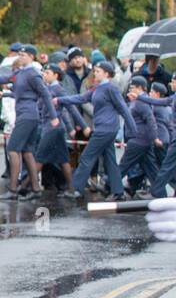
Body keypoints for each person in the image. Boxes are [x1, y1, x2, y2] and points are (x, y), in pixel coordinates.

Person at [55, 60, 138, 200]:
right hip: (103, 128)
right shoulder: (97, 88)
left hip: (106, 129)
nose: (95, 73)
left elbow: (123, 108)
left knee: (87, 157)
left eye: (98, 71)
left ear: (107, 74)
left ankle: (76, 189)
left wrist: (133, 130)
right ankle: (118, 192)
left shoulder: (111, 88)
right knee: (110, 161)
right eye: (95, 70)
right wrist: (60, 100)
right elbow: (81, 98)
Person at [0, 44, 53, 201]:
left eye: (24, 54)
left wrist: (53, 117)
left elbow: (45, 94)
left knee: (13, 149)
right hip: (24, 115)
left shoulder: (33, 73)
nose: (20, 56)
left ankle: (13, 189)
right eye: (19, 54)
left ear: (32, 57)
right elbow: (4, 79)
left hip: (28, 115)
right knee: (27, 152)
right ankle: (35, 188)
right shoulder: (20, 73)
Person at [37, 64, 82, 194]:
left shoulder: (58, 89)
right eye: (44, 73)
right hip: (52, 127)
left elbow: (70, 109)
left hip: (53, 128)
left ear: (56, 75)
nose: (44, 75)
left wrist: (79, 126)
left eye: (48, 73)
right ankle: (72, 189)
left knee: (39, 158)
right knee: (63, 159)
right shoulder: (46, 88)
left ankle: (26, 187)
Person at [120, 76, 160, 197]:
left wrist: (155, 138)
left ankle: (109, 184)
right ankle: (159, 192)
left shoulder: (141, 102)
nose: (130, 90)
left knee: (123, 165)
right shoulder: (138, 100)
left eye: (132, 87)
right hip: (142, 140)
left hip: (139, 140)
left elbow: (150, 120)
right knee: (151, 169)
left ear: (139, 88)